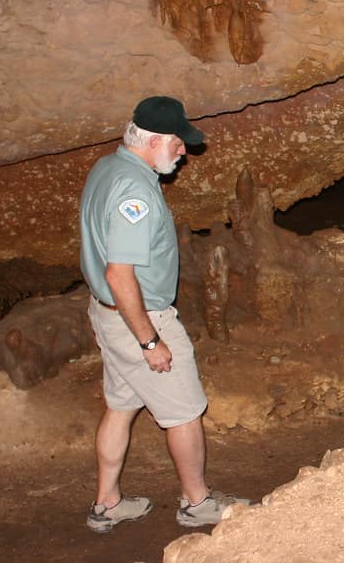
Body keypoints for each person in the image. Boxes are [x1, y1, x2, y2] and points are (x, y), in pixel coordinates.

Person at [79, 96, 248, 533]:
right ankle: (197, 503)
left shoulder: (108, 168)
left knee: (120, 406)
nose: (183, 152)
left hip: (108, 315)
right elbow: (120, 274)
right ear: (153, 140)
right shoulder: (134, 190)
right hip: (137, 319)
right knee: (186, 411)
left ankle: (107, 502)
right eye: (177, 143)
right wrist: (150, 340)